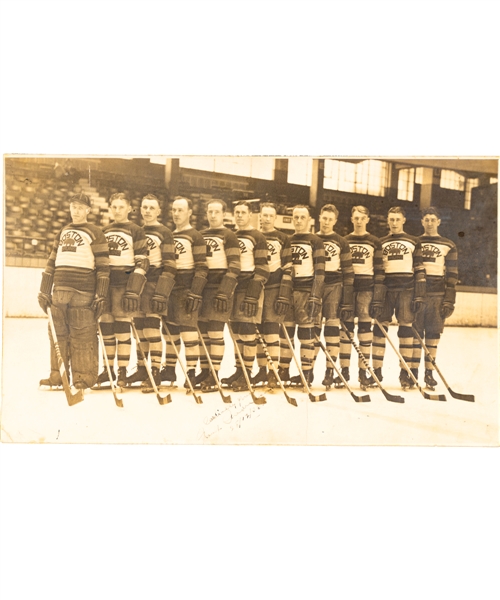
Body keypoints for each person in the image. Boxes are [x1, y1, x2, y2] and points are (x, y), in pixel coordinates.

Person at [38, 192, 109, 389]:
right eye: (73, 207)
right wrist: (44, 290)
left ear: (88, 210)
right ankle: (58, 376)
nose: (75, 211)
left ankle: (83, 378)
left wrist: (101, 294)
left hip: (83, 292)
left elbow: (103, 266)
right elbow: (51, 262)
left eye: (80, 207)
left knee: (82, 335)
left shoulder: (95, 232)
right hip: (59, 291)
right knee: (57, 333)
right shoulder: (62, 232)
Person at [97, 193, 149, 388]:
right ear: (110, 209)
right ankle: (108, 368)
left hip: (124, 284)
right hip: (106, 283)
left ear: (129, 209)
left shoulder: (136, 230)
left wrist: (133, 288)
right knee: (106, 325)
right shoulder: (104, 230)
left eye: (121, 207)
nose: (117, 210)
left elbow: (143, 260)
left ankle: (122, 370)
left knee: (122, 326)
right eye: (114, 207)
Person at [125, 194, 176, 390]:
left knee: (152, 330)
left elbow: (170, 264)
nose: (147, 211)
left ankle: (155, 371)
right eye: (144, 207)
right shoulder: (135, 231)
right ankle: (141, 368)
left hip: (155, 283)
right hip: (137, 283)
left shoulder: (165, 232)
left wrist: (162, 292)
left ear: (158, 211)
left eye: (151, 208)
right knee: (139, 329)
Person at [373, 206, 426, 389]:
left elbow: (419, 269)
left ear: (403, 220)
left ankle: (405, 372)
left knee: (406, 331)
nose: (394, 223)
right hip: (386, 290)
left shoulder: (414, 241)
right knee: (379, 329)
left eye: (397, 219)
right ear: (387, 221)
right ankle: (376, 371)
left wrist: (419, 293)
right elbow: (378, 271)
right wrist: (378, 296)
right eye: (391, 219)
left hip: (407, 290)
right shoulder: (380, 242)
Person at [221, 201, 269, 391]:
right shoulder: (230, 235)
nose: (240, 216)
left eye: (243, 212)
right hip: (234, 286)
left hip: (250, 286)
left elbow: (263, 268)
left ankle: (248, 372)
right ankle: (240, 370)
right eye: (237, 212)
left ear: (250, 215)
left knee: (248, 330)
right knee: (236, 332)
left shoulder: (257, 236)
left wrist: (253, 293)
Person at [161, 197, 208, 388]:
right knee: (170, 333)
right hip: (170, 289)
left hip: (187, 289)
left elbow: (202, 267)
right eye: (174, 210)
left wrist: (195, 291)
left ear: (189, 213)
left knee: (189, 333)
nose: (176, 213)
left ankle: (191, 373)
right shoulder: (169, 235)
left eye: (180, 210)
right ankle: (170, 371)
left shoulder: (195, 236)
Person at [278, 205, 325, 386]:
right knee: (286, 332)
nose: (298, 220)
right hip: (289, 291)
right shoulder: (287, 240)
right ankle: (283, 370)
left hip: (306, 292)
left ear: (309, 220)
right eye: (295, 217)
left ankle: (306, 372)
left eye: (302, 217)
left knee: (306, 334)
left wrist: (315, 295)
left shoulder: (315, 241)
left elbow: (320, 272)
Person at [197, 200, 241, 391]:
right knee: (202, 334)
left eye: (217, 212)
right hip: (202, 287)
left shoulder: (229, 235)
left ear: (224, 214)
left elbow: (234, 265)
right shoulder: (201, 235)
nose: (213, 215)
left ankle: (214, 374)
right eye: (210, 211)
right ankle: (205, 371)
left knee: (215, 332)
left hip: (219, 288)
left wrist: (225, 290)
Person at [412, 207, 458, 387]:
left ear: (439, 222)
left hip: (438, 295)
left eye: (433, 219)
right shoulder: (414, 242)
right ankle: (412, 372)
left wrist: (449, 299)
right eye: (426, 219)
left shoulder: (449, 244)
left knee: (432, 334)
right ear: (422, 222)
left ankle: (429, 373)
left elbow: (452, 275)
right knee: (415, 335)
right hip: (418, 294)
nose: (430, 223)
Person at [340, 205, 385, 387]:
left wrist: (378, 297)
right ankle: (344, 371)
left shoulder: (374, 242)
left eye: (362, 218)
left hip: (367, 290)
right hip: (348, 290)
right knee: (346, 331)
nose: (358, 221)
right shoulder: (344, 241)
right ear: (352, 219)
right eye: (356, 218)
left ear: (367, 220)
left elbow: (380, 272)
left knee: (365, 331)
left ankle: (363, 371)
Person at [252, 202, 293, 387]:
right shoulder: (254, 235)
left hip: (274, 287)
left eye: (270, 215)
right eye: (264, 215)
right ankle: (261, 371)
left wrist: (283, 292)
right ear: (260, 216)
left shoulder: (282, 237)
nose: (266, 218)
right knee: (257, 331)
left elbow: (288, 267)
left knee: (271, 330)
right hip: (256, 287)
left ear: (275, 218)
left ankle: (272, 372)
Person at [315, 203, 355, 388]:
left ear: (335, 221)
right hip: (314, 285)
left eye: (330, 219)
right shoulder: (311, 238)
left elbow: (348, 271)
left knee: (332, 326)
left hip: (333, 285)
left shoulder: (341, 241)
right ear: (319, 217)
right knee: (313, 328)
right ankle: (308, 371)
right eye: (324, 218)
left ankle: (330, 370)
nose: (326, 222)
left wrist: (347, 299)